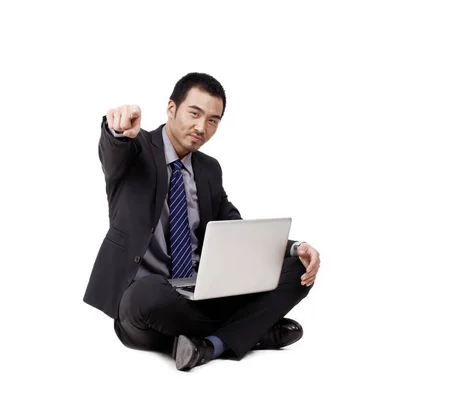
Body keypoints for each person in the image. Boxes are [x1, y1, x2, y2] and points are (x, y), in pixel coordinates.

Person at [83, 72, 321, 371]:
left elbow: (234, 230)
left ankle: (209, 346)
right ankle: (251, 332)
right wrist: (115, 130)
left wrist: (293, 247)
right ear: (171, 108)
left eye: (213, 120)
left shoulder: (208, 169)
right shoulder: (136, 147)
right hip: (149, 301)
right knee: (146, 294)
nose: (201, 127)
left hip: (201, 294)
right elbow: (113, 151)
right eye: (194, 113)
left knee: (299, 268)